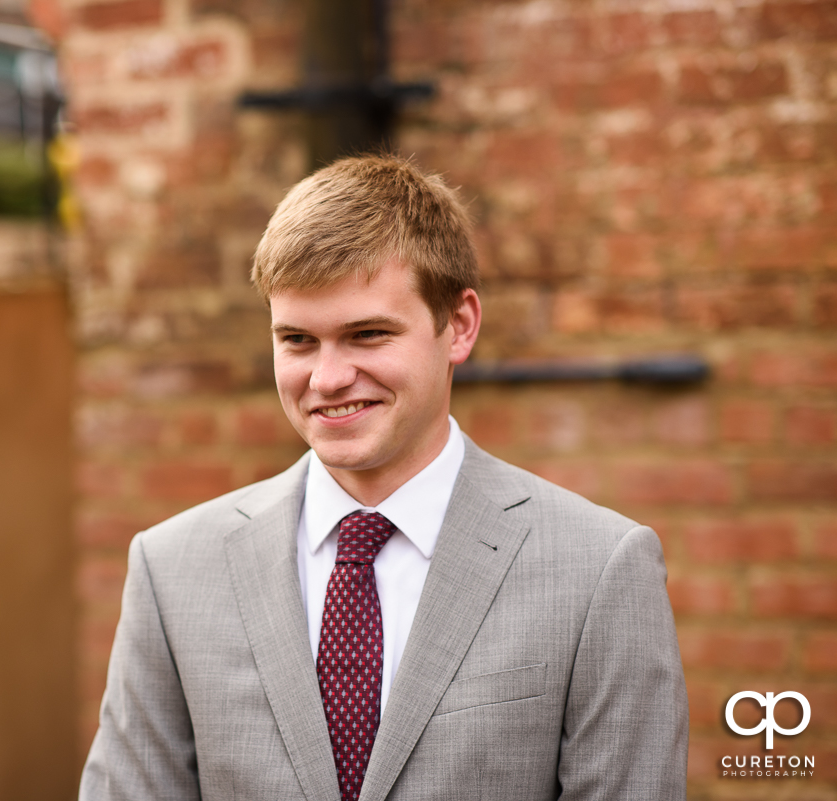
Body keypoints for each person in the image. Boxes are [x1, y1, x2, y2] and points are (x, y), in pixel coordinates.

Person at [80, 156, 688, 801]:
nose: (327, 377)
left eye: (367, 334)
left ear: (458, 326)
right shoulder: (172, 568)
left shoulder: (599, 568)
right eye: (297, 340)